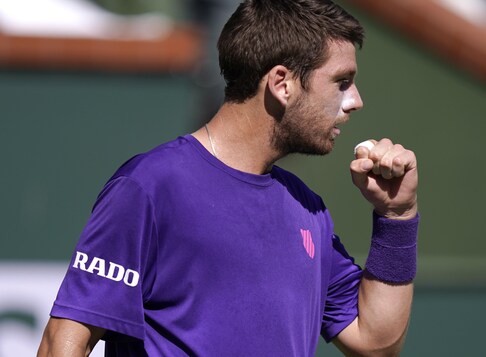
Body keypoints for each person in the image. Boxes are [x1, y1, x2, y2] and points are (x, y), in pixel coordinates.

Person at [37, 0, 419, 355]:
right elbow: (64, 341)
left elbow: (375, 341)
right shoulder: (150, 185)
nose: (355, 101)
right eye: (341, 81)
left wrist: (397, 217)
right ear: (282, 83)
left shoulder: (309, 211)